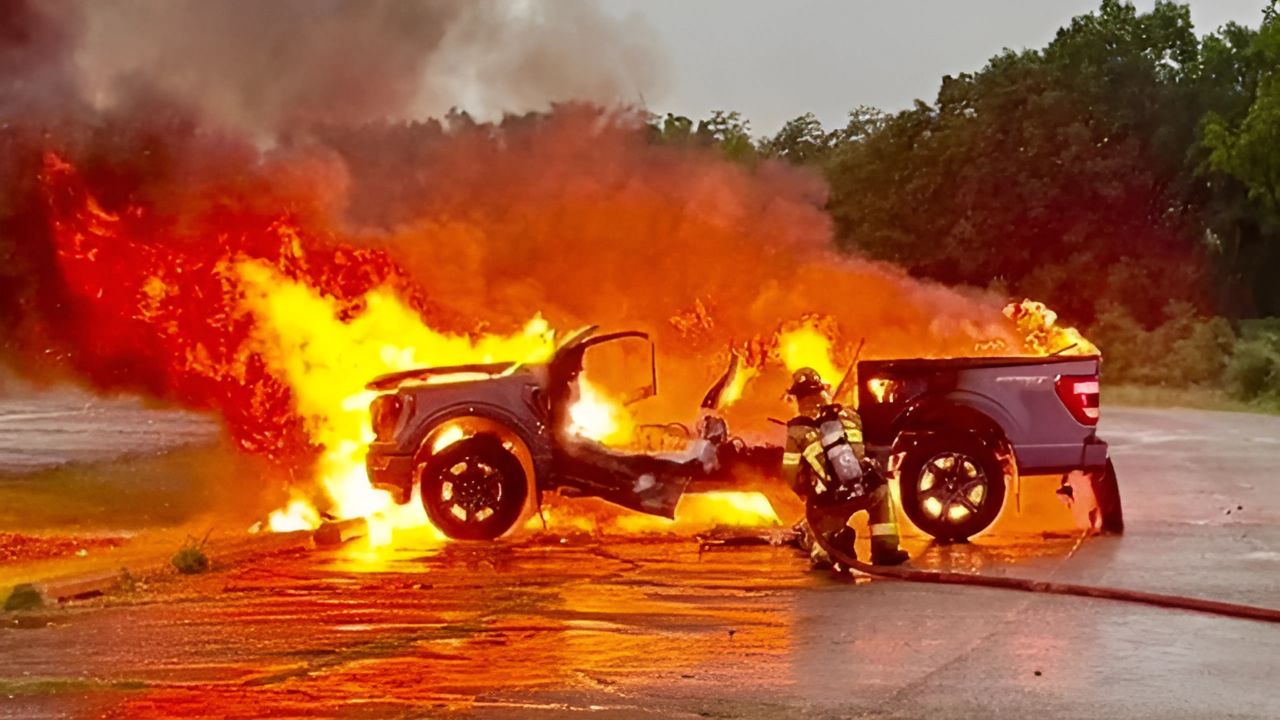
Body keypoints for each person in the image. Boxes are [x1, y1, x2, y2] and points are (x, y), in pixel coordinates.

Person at [781, 367, 909, 568]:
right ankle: (885, 549)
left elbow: (790, 474)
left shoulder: (797, 430)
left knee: (821, 558)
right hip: (864, 488)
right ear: (823, 391)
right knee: (882, 492)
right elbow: (870, 448)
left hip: (829, 501)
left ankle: (835, 546)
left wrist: (809, 493)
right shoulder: (849, 414)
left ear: (798, 398)